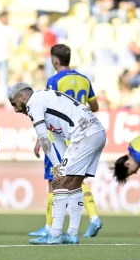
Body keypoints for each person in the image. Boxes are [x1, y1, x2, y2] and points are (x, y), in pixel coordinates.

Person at [9, 82, 106, 245]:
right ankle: (72, 234)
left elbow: (44, 139)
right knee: (74, 182)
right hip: (97, 132)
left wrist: (56, 167)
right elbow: (58, 136)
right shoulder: (47, 98)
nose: (16, 109)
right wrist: (61, 163)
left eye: (15, 104)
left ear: (22, 96)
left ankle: (54, 234)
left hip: (84, 133)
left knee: (58, 182)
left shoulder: (33, 103)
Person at [30, 44, 102, 238]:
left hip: (61, 134)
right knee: (76, 179)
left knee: (56, 180)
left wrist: (40, 137)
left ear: (54, 60)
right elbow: (94, 106)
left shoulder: (54, 80)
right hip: (83, 132)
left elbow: (46, 108)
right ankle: (93, 217)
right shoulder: (84, 79)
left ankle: (49, 227)